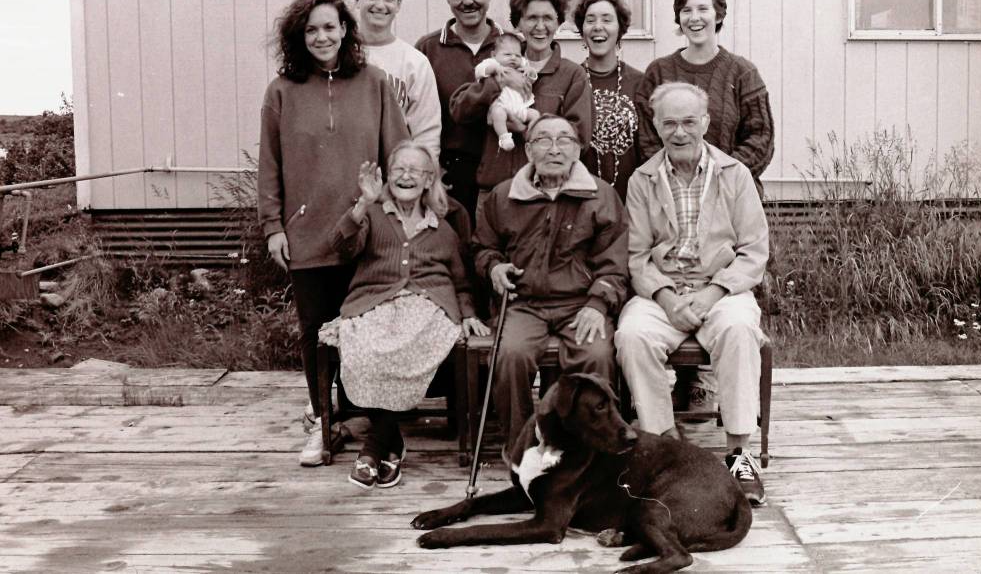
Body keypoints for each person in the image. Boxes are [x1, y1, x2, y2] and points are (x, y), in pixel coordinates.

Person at [257, 0, 409, 467]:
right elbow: (270, 166)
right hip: (306, 234)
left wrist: (393, 218)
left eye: (330, 27)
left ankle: (370, 424)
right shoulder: (281, 91)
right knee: (315, 334)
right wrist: (273, 227)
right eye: (311, 30)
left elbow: (400, 155)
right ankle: (323, 424)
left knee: (368, 329)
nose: (322, 36)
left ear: (346, 29)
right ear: (299, 38)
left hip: (367, 231)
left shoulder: (376, 83)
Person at [613, 82, 769, 506]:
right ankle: (666, 449)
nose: (678, 132)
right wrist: (665, 298)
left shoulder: (735, 175)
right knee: (632, 336)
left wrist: (713, 292)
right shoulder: (642, 180)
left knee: (739, 329)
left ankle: (739, 451)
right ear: (657, 125)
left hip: (721, 289)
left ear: (705, 122)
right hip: (663, 290)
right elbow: (636, 254)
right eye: (669, 123)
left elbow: (754, 251)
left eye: (687, 122)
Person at [319, 141, 489, 489]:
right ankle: (389, 443)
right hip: (374, 303)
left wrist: (469, 312)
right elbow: (341, 246)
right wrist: (363, 202)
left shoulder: (444, 228)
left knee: (412, 338)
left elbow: (460, 280)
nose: (406, 176)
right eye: (399, 169)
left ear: (429, 180)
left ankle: (374, 447)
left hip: (429, 306)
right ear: (387, 177)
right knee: (364, 343)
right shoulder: (373, 214)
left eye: (415, 170)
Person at [473, 114, 628, 454]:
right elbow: (483, 248)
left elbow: (615, 263)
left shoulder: (601, 196)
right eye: (543, 140)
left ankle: (588, 446)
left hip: (580, 303)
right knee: (510, 354)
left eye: (564, 141)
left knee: (598, 355)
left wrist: (597, 305)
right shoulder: (503, 196)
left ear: (577, 150)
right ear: (528, 150)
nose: (554, 149)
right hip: (524, 303)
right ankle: (522, 447)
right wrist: (494, 268)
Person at [451, 0, 592, 217]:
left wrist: (519, 128)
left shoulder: (572, 75)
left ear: (559, 23)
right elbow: (459, 111)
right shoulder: (496, 65)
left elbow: (579, 138)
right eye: (531, 18)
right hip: (494, 193)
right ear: (518, 24)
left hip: (549, 196)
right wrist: (499, 83)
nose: (540, 26)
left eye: (548, 18)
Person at [635, 0, 774, 197]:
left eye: (703, 9)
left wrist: (719, 176)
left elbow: (760, 139)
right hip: (672, 195)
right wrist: (679, 179)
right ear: (678, 17)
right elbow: (646, 139)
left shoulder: (743, 73)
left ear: (718, 14)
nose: (694, 18)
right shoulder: (658, 72)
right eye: (686, 10)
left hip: (732, 195)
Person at [416, 0, 508, 220]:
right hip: (449, 175)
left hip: (503, 168)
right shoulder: (427, 49)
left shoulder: (512, 46)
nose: (468, 1)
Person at [356, 0, 442, 157]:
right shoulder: (338, 55)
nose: (380, 5)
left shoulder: (415, 62)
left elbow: (427, 134)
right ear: (357, 0)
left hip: (396, 173)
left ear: (398, 4)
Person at [572, 0, 644, 201]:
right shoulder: (571, 80)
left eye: (607, 19)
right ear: (582, 30)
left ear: (620, 29)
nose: (598, 27)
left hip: (633, 201)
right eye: (590, 20)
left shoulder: (640, 82)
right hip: (581, 200)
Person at [474, 32, 540, 151]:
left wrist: (529, 71)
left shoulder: (522, 66)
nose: (513, 58)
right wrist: (495, 68)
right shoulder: (492, 63)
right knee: (498, 114)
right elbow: (479, 71)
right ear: (494, 55)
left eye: (517, 55)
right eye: (507, 54)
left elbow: (532, 80)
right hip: (501, 105)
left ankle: (532, 136)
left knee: (536, 115)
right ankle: (504, 138)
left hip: (520, 108)